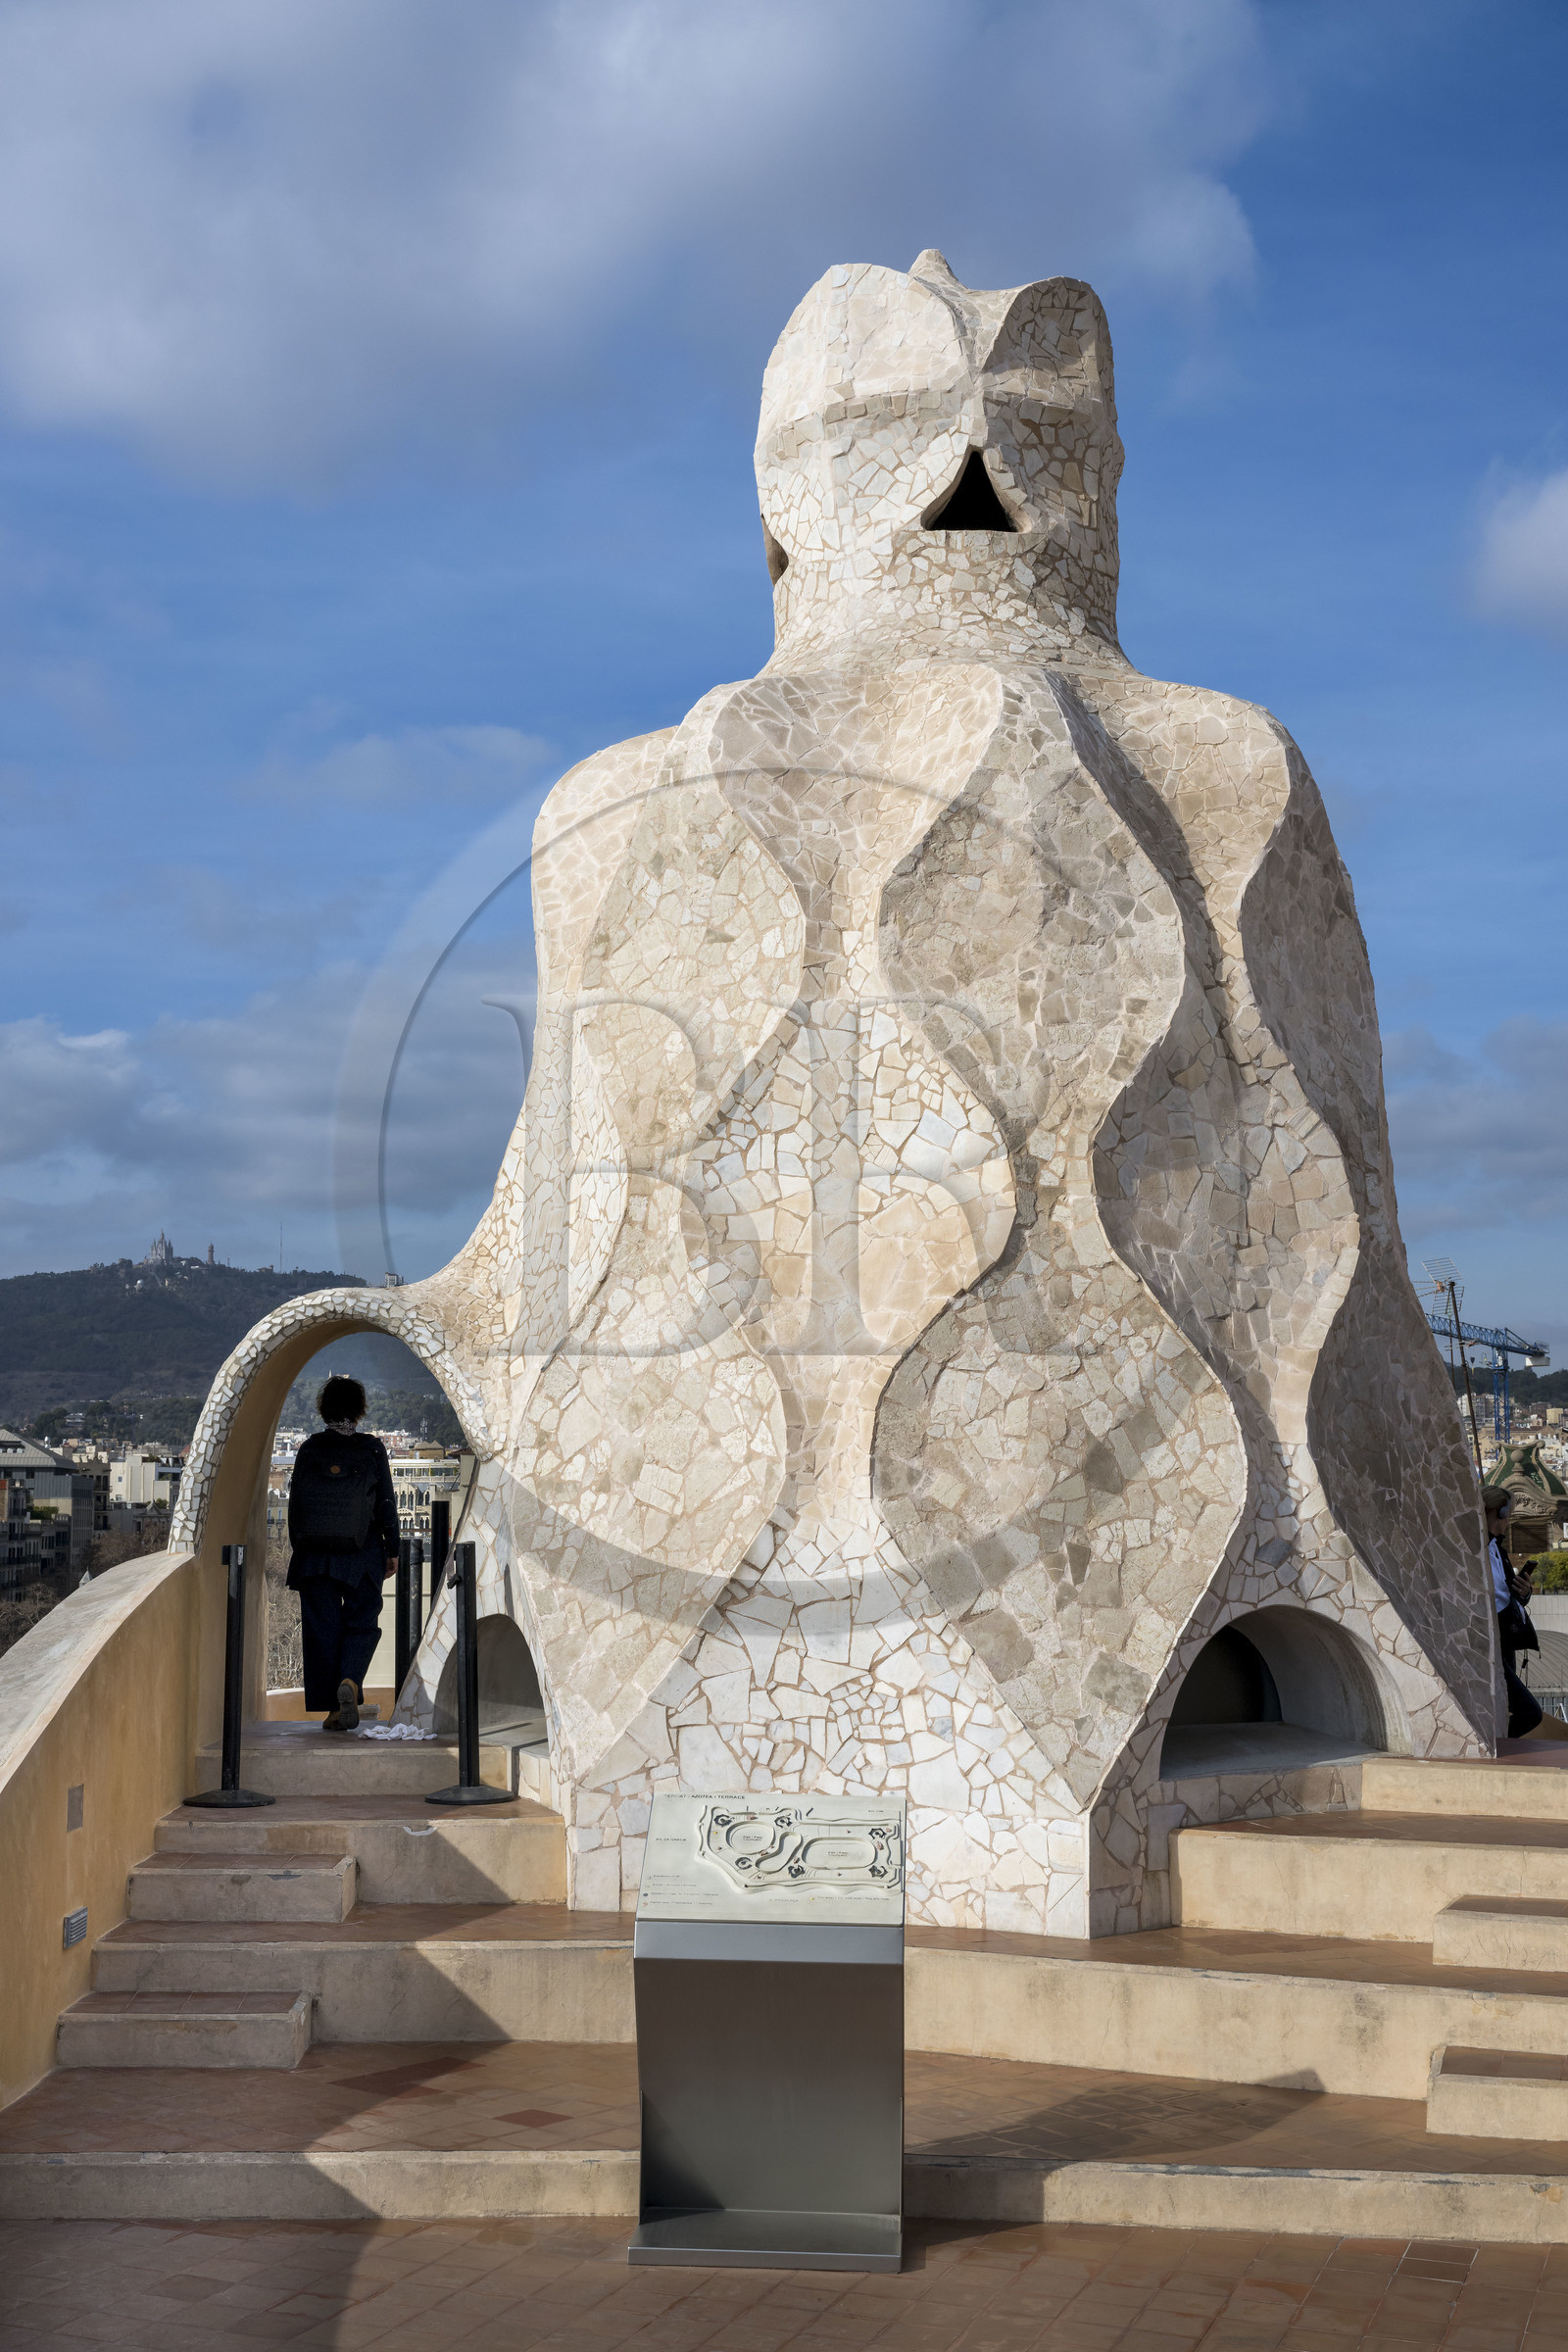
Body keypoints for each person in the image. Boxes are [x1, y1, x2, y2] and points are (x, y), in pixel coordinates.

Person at [287, 1376, 401, 1731]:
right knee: (362, 1623)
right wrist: (392, 1549)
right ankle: (350, 1681)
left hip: (315, 1557)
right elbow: (385, 1502)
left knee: (322, 1631)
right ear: (359, 1411)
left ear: (324, 1409)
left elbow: (295, 1507)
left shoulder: (309, 1448)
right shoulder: (371, 1449)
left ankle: (334, 1710)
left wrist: (303, 1549)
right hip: (361, 1553)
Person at [1484, 1486, 1543, 1740]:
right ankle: (1495, 1751)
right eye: (1509, 1513)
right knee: (1530, 1712)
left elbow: (1503, 1593)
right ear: (1501, 1511)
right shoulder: (1479, 1546)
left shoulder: (1499, 1550)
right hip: (1491, 1637)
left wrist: (1524, 1591)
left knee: (1505, 1706)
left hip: (1506, 1637)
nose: (1510, 1519)